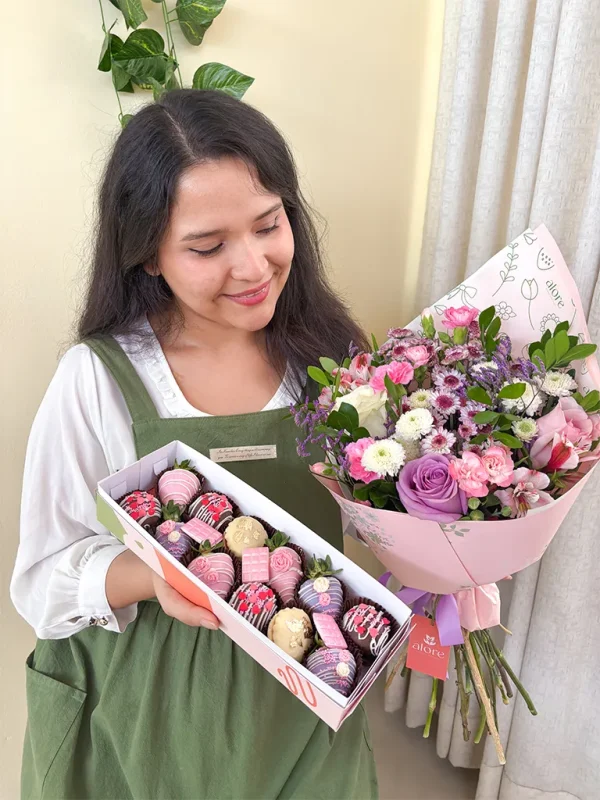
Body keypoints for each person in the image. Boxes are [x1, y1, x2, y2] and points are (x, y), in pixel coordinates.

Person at [11, 89, 377, 799]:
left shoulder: (332, 359)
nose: (254, 267)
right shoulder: (99, 378)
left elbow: (371, 520)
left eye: (269, 225)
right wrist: (155, 576)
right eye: (209, 247)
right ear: (148, 256)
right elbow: (41, 584)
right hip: (144, 715)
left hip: (309, 697)